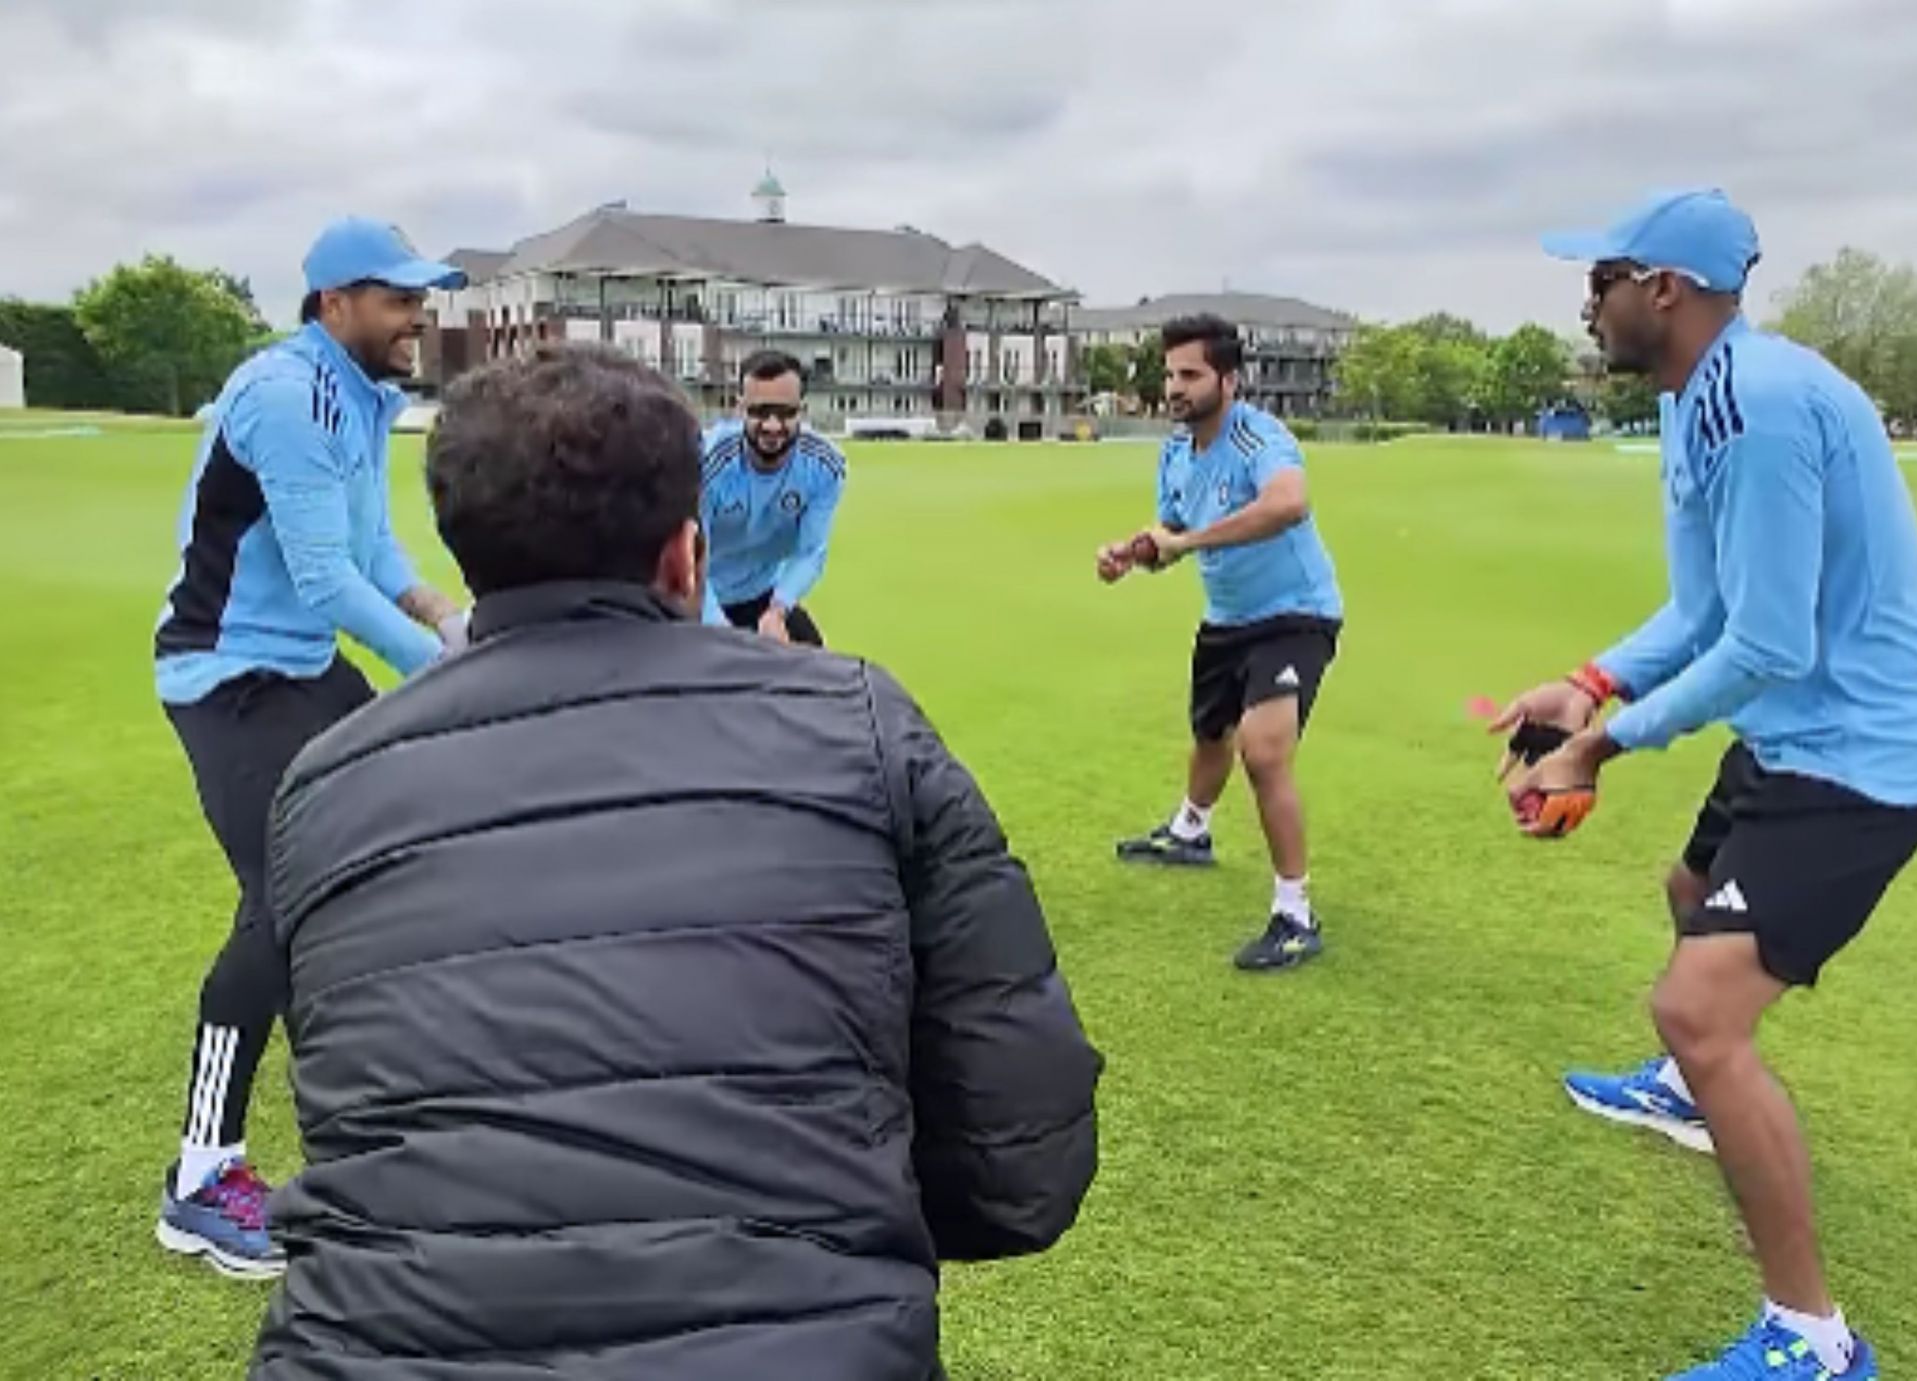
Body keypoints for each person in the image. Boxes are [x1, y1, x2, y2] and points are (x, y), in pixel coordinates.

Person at [248, 344, 1101, 1380]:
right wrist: (825, 1223)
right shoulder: (860, 721)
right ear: (684, 559)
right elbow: (1021, 1159)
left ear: (466, 561)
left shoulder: (324, 780)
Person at [1497, 187, 1916, 1380]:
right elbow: (1704, 611)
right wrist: (1587, 684)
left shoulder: (1761, 405)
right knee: (1691, 880)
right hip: (1790, 734)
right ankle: (1692, 1094)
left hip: (1863, 757)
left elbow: (1768, 642)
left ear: (1665, 290)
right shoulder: (1701, 400)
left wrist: (1602, 747)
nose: (1590, 299)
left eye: (1604, 278)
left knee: (1697, 1005)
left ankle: (1814, 1339)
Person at [151, 217, 468, 1279]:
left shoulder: (364, 395)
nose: (416, 316)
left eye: (419, 298)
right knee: (284, 898)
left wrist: (448, 617)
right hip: (228, 673)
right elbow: (327, 579)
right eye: (397, 298)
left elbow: (375, 550)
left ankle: (373, 1114)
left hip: (297, 666)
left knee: (391, 845)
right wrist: (441, 668)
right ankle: (201, 1177)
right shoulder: (286, 395)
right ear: (336, 304)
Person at [1100, 314, 1344, 972]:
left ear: (1228, 380)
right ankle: (1190, 831)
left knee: (1263, 754)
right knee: (1211, 733)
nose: (1175, 387)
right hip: (1227, 617)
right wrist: (1135, 550)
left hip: (1294, 614)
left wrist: (1187, 541)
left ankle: (1295, 914)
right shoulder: (1177, 451)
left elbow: (1288, 503)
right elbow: (1173, 528)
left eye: (1190, 374)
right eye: (1170, 373)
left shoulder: (1260, 436)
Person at [699, 348, 847, 645]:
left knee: (818, 672)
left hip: (762, 597)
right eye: (759, 412)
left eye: (785, 413)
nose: (772, 426)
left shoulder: (824, 467)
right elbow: (692, 563)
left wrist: (777, 611)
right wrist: (723, 634)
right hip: (699, 598)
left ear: (802, 411)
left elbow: (811, 552)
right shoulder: (706, 462)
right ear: (740, 408)